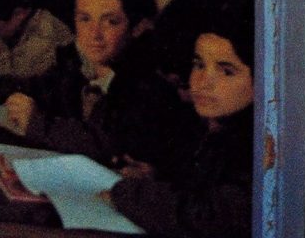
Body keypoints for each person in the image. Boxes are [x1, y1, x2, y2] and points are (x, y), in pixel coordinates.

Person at [0, 0, 197, 170]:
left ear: (135, 28)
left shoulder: (149, 83)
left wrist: (38, 124)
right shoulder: (78, 63)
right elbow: (45, 86)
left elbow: (110, 142)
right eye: (84, 19)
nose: (94, 34)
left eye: (111, 22)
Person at [106, 15, 254, 237]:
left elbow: (206, 215)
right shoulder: (205, 131)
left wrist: (127, 193)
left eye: (226, 71)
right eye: (199, 65)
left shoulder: (258, 146)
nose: (204, 81)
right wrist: (155, 178)